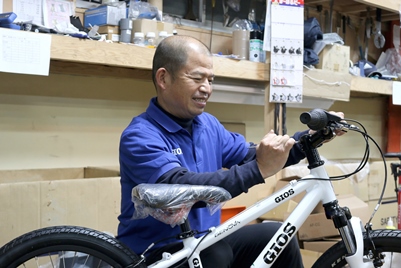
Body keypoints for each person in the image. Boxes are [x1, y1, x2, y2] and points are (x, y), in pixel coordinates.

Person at [117, 35, 344, 268]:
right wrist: (260, 169)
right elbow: (179, 188)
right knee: (215, 254)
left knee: (279, 236)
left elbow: (251, 155)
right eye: (197, 78)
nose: (206, 88)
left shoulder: (208, 125)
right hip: (155, 253)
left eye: (210, 80)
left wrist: (310, 139)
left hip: (204, 241)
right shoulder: (140, 136)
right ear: (163, 78)